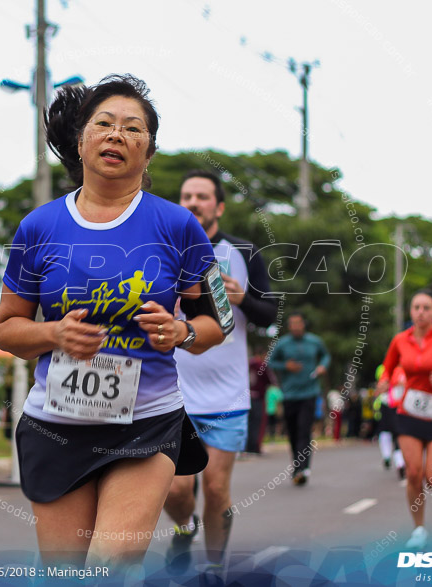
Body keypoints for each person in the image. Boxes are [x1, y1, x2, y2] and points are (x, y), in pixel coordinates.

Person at [0, 75, 228, 575]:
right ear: (81, 141)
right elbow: (7, 329)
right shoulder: (38, 227)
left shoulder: (178, 227)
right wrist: (52, 333)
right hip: (56, 426)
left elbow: (216, 323)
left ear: (149, 153)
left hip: (144, 424)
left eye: (133, 129)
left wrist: (181, 332)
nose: (116, 135)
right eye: (104, 124)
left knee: (111, 563)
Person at [164, 171, 278, 574]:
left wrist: (242, 298)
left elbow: (271, 315)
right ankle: (184, 526)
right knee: (173, 489)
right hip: (171, 394)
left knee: (215, 488)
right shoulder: (163, 249)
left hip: (226, 395)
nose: (193, 202)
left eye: (202, 196)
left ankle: (214, 570)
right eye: (186, 195)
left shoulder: (243, 252)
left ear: (219, 206)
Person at [376, 290, 432, 550]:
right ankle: (418, 528)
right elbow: (389, 367)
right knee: (414, 473)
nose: (421, 312)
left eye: (427, 307)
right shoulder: (400, 340)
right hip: (409, 413)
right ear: (410, 312)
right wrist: (383, 382)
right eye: (416, 307)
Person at [268, 312, 331, 486]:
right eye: (292, 324)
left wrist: (321, 367)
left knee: (304, 430)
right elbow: (270, 362)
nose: (296, 326)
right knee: (294, 432)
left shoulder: (314, 341)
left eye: (299, 323)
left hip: (309, 392)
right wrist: (285, 365)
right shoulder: (283, 344)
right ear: (289, 326)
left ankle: (302, 468)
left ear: (304, 324)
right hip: (290, 394)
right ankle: (297, 465)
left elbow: (326, 356)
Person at [374, 364, 406, 479]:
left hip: (398, 407)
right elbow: (380, 388)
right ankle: (394, 460)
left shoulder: (403, 368)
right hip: (391, 406)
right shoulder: (386, 369)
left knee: (394, 434)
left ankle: (398, 462)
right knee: (392, 434)